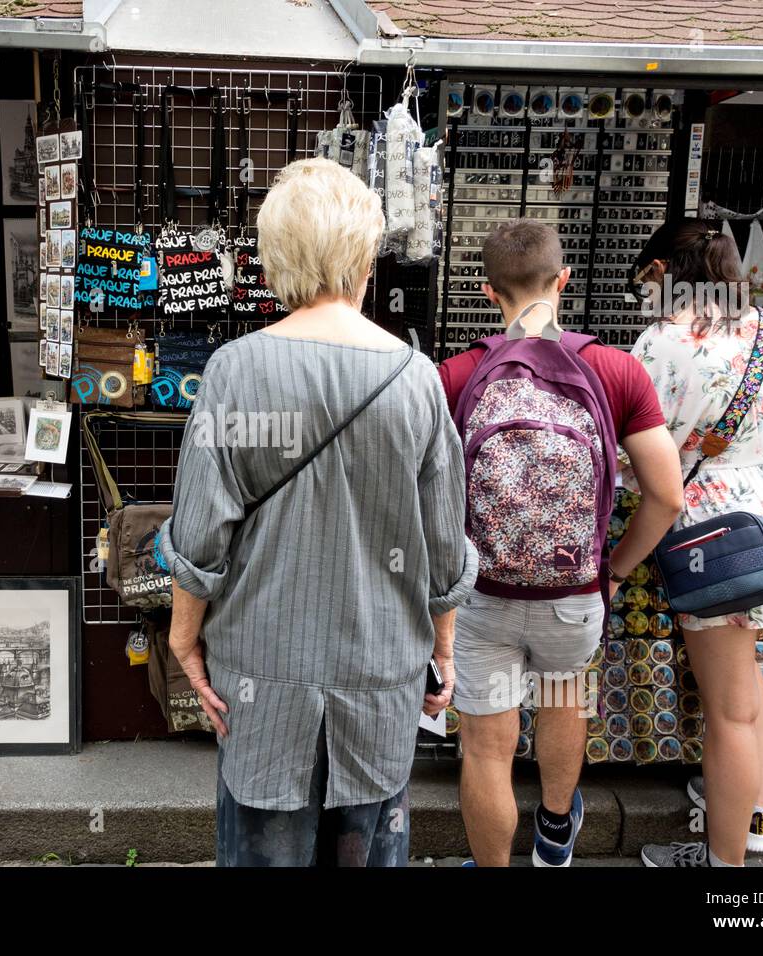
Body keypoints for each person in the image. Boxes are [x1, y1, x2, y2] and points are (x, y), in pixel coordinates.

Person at [158, 157, 477, 867]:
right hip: (381, 675)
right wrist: (445, 649)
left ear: (277, 259)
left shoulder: (235, 371)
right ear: (365, 257)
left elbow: (200, 535)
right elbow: (444, 548)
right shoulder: (417, 380)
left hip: (262, 676)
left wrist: (185, 640)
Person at [439, 218, 682, 867]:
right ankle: (553, 834)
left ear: (489, 293)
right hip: (575, 591)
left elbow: (419, 495)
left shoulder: (458, 376)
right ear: (564, 281)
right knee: (561, 697)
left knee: (487, 748)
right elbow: (667, 495)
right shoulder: (615, 370)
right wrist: (616, 570)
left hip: (483, 593)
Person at [630, 219, 763, 867]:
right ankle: (752, 818)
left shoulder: (661, 343)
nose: (642, 291)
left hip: (718, 536)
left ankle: (726, 862)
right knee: (746, 685)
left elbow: (635, 460)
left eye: (645, 278)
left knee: (728, 713)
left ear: (666, 272)